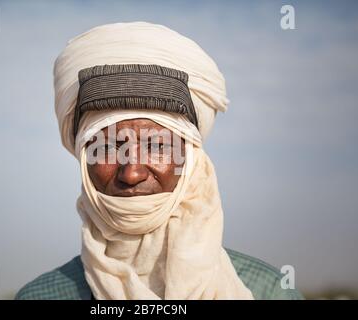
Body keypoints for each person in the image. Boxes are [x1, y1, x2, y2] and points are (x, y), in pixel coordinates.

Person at [15, 22, 303, 300]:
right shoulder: (42, 296)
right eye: (106, 148)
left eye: (157, 146)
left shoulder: (268, 291)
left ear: (191, 161)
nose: (131, 173)